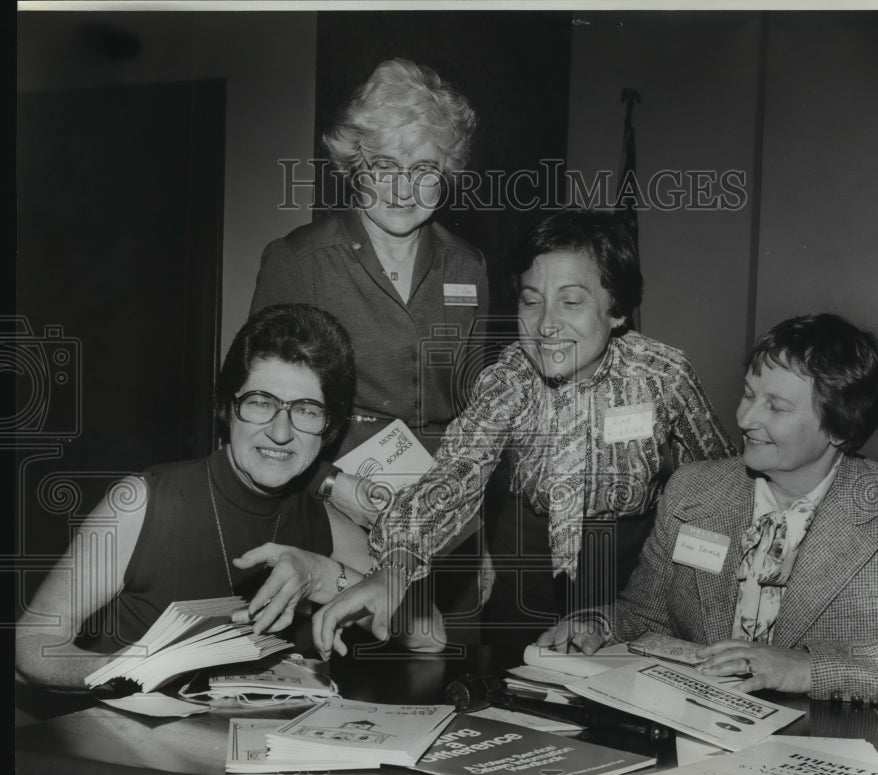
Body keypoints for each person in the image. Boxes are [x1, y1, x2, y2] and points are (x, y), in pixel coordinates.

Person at [313, 209, 737, 657]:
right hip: (527, 565)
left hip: (632, 572)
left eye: (571, 302)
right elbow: (456, 474)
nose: (546, 324)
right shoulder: (508, 379)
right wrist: (395, 568)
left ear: (615, 308)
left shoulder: (662, 375)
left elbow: (721, 484)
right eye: (531, 301)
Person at [538, 313, 878, 708]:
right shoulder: (692, 491)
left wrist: (810, 669)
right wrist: (598, 624)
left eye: (776, 406)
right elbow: (647, 619)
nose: (745, 418)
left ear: (840, 426)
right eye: (749, 393)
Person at [15, 304, 443, 691]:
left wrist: (322, 574)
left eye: (307, 411)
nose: (280, 432)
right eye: (260, 402)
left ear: (328, 429)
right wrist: (124, 671)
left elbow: (430, 636)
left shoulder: (322, 521)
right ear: (228, 408)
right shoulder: (144, 502)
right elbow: (34, 640)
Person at [249, 57, 487, 465]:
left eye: (424, 169)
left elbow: (473, 405)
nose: (402, 188)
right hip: (332, 480)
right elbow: (259, 409)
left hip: (443, 490)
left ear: (446, 173)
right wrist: (328, 484)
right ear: (356, 167)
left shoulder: (468, 265)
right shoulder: (300, 261)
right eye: (385, 165)